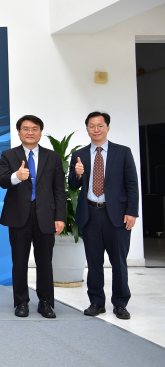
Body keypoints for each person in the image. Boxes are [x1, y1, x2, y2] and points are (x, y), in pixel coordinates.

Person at [69, 111, 139, 320]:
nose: (96, 129)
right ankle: (96, 302)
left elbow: (132, 184)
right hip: (90, 213)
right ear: (87, 129)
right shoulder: (79, 154)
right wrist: (78, 173)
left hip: (117, 215)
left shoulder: (123, 152)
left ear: (108, 127)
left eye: (100, 125)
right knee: (94, 261)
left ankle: (120, 303)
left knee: (118, 262)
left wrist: (132, 212)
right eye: (92, 126)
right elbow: (73, 185)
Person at [0, 115, 65, 319]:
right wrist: (16, 177)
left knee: (45, 262)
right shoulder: (8, 155)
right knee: (19, 261)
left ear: (40, 132)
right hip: (18, 215)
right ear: (19, 132)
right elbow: (2, 181)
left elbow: (59, 189)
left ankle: (46, 303)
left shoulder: (53, 157)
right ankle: (21, 302)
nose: (30, 132)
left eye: (34, 129)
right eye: (25, 129)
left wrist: (60, 217)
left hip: (46, 215)